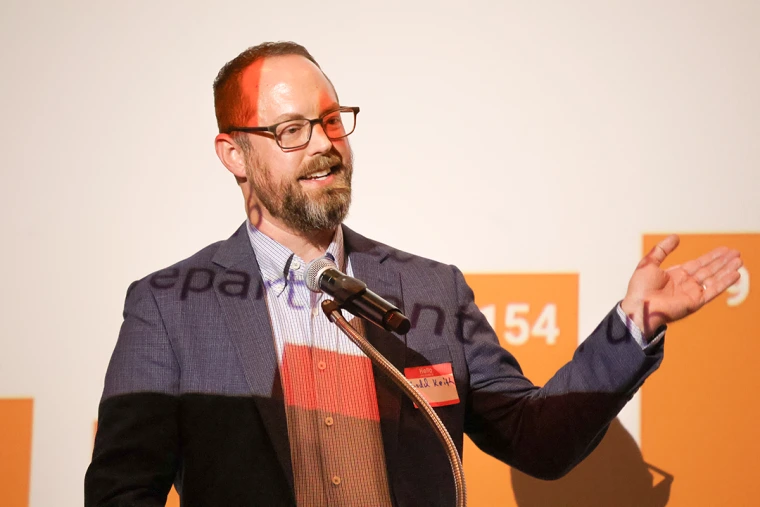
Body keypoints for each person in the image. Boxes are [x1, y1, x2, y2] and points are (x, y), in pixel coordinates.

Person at [84, 41, 742, 507]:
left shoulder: (432, 290)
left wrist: (635, 326)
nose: (322, 143)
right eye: (290, 130)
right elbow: (122, 493)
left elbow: (539, 440)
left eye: (332, 121)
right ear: (234, 152)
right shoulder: (170, 306)